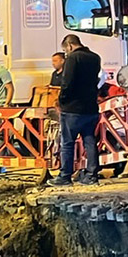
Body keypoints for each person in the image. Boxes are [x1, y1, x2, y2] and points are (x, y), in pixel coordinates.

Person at [48, 34, 102, 186]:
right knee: (89, 140)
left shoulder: (72, 58)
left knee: (68, 142)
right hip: (91, 106)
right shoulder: (95, 57)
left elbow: (67, 82)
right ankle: (92, 175)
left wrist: (62, 100)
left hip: (72, 108)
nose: (66, 53)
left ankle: (65, 176)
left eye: (65, 50)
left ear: (70, 46)